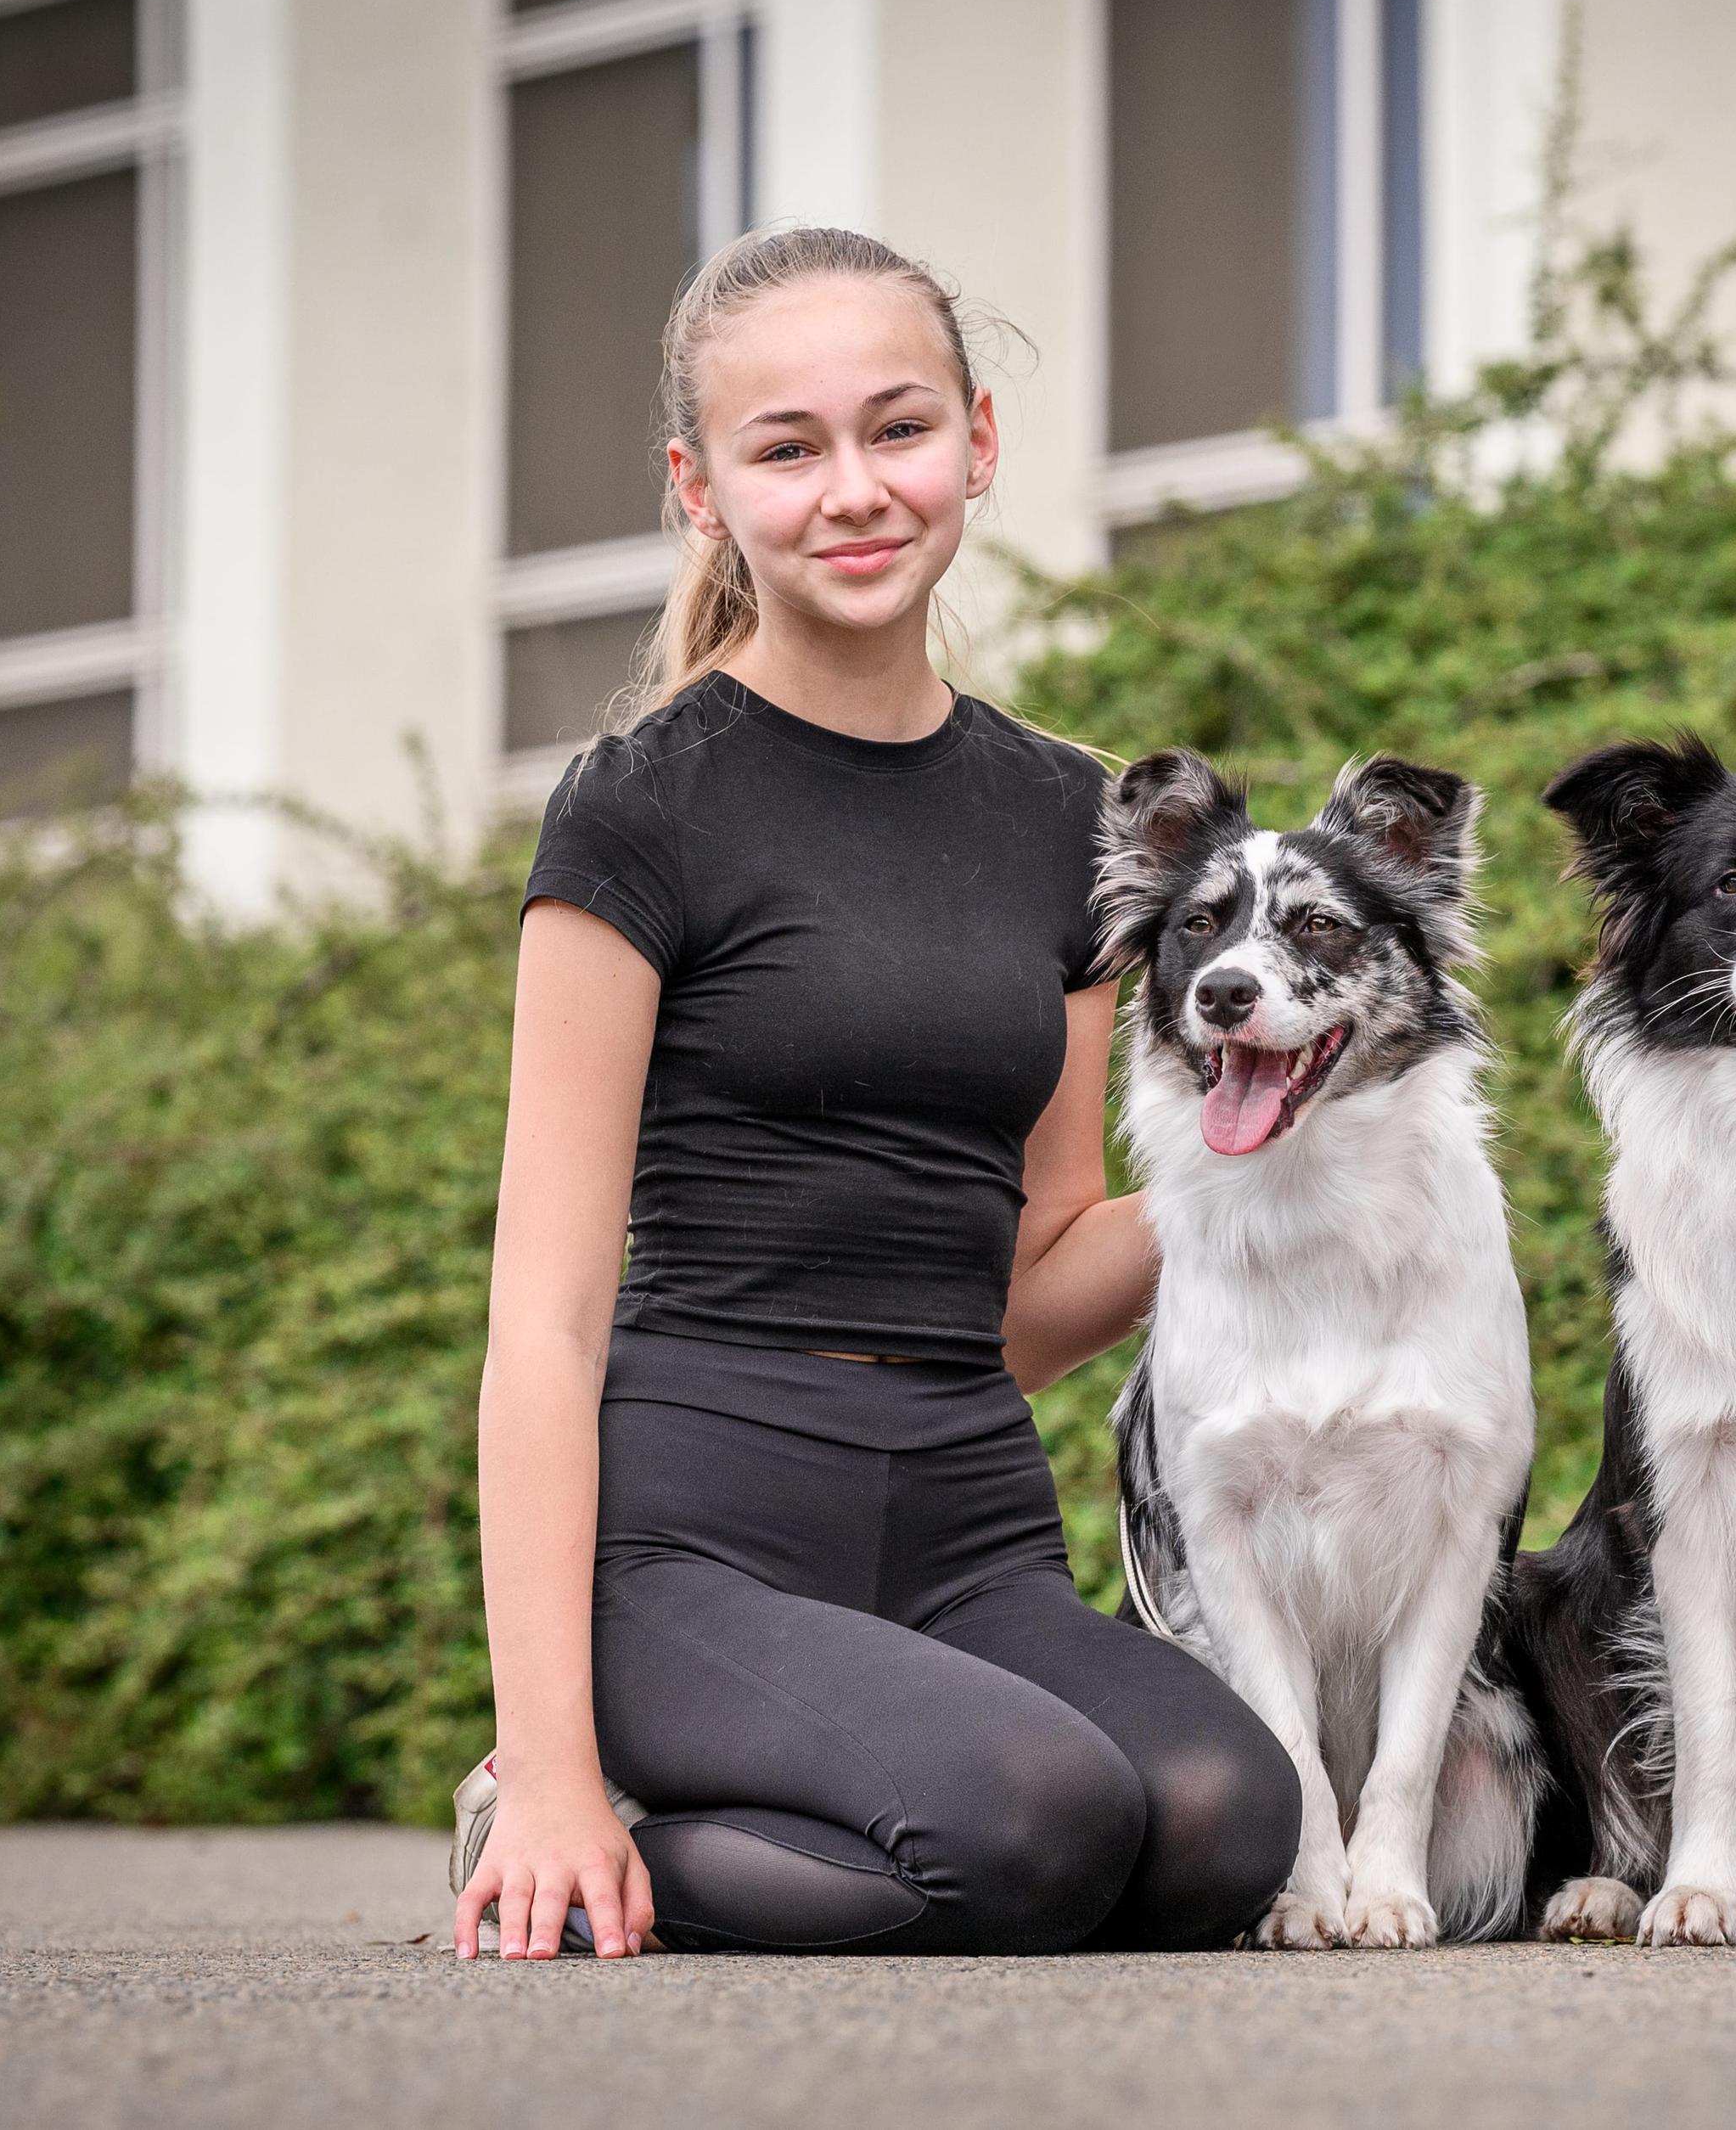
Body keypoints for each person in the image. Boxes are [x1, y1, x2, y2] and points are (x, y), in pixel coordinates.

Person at [450, 227, 1299, 1960]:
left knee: (1224, 1820)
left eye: (897, 430)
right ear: (703, 489)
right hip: (694, 1539)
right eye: (789, 447)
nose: (855, 489)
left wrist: (1271, 1149)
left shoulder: (1067, 813)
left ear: (978, 443)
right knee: (1029, 1825)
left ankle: (792, 1797)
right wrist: (544, 1758)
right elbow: (542, 1323)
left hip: (966, 1528)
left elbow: (1039, 1291)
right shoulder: (638, 808)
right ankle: (585, 1821)